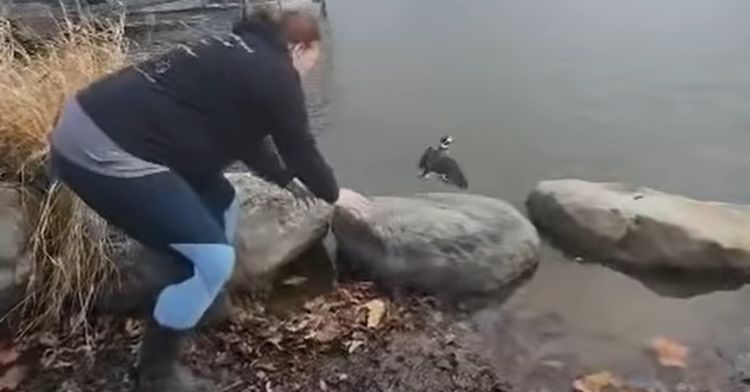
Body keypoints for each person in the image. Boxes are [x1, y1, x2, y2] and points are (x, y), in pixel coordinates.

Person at [47, 8, 370, 392]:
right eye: (312, 60)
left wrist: (285, 179)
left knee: (223, 200)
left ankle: (205, 301)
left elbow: (246, 137)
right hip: (102, 152)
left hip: (93, 122)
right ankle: (156, 372)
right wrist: (335, 195)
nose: (309, 71)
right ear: (301, 48)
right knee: (215, 258)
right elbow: (302, 149)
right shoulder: (276, 73)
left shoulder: (239, 51)